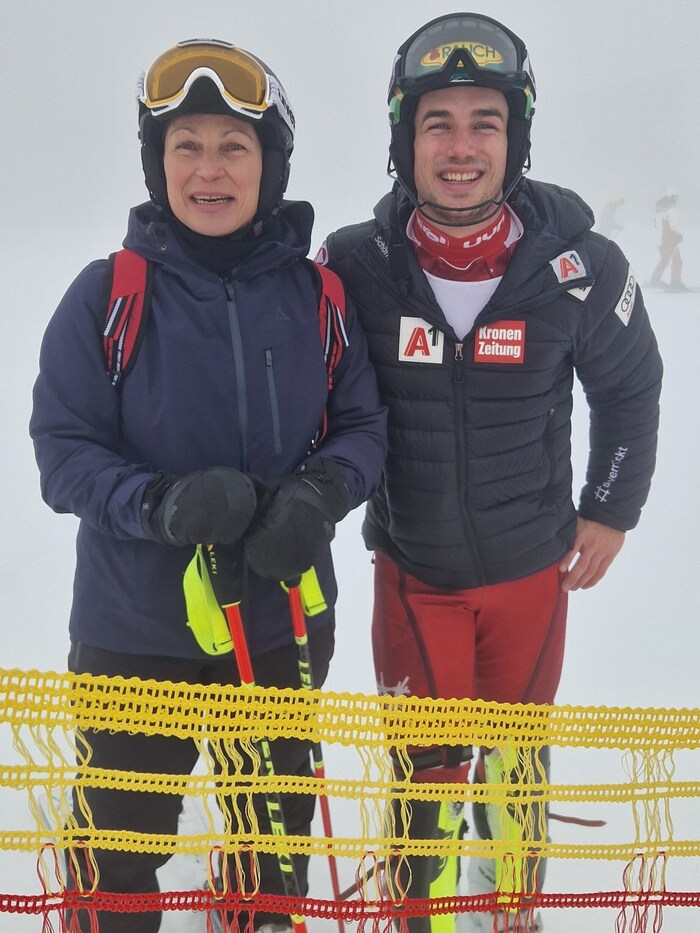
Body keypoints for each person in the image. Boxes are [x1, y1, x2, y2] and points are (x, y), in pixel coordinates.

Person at [30, 38, 387, 933]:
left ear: (271, 164)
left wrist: (321, 493)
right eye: (185, 145)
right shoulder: (107, 296)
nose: (208, 169)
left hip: (278, 615)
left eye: (234, 146)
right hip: (132, 627)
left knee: (271, 834)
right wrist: (158, 504)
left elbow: (364, 427)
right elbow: (63, 451)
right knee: (117, 845)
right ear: (158, 164)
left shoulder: (320, 297)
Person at [319, 12, 662, 933]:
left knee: (515, 764)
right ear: (406, 139)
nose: (462, 147)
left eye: (486, 122)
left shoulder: (582, 266)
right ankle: (424, 913)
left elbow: (631, 386)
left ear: (517, 138)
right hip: (414, 574)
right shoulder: (355, 262)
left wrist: (612, 506)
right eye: (438, 123)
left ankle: (509, 905)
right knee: (426, 772)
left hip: (529, 576)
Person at [649, 187, 686, 290]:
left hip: (662, 239)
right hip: (669, 238)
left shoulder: (660, 208)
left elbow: (659, 225)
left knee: (666, 260)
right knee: (675, 260)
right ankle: (675, 282)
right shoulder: (670, 208)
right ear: (671, 196)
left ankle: (655, 280)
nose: (676, 199)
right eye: (675, 197)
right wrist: (677, 235)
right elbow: (672, 225)